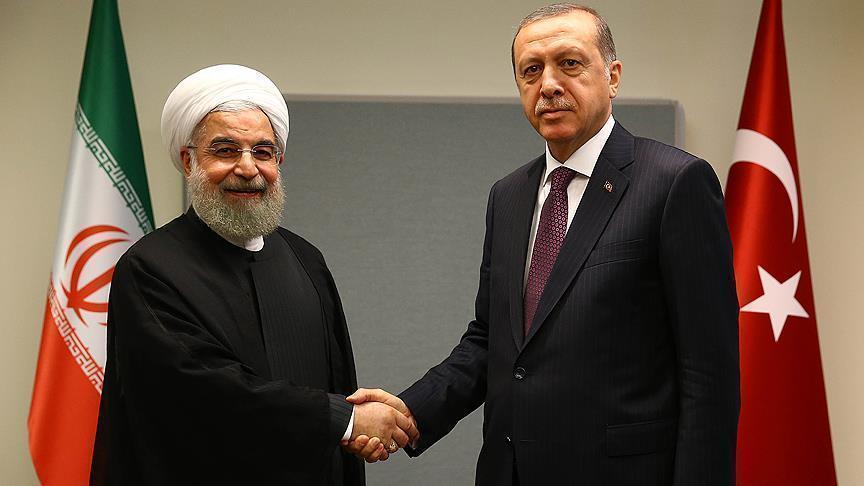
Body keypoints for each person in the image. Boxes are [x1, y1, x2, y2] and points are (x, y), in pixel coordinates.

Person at [346, 4, 740, 485]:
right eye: (531, 70)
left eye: (569, 63)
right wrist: (410, 412)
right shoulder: (508, 195)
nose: (548, 84)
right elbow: (491, 340)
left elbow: (709, 376)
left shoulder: (675, 182)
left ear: (613, 77)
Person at [90, 64, 415, 486]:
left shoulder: (306, 261)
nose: (247, 168)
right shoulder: (149, 268)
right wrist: (346, 420)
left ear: (279, 161)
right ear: (188, 160)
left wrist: (351, 428)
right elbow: (205, 393)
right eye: (226, 150)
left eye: (262, 152)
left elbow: (338, 382)